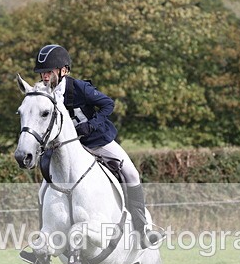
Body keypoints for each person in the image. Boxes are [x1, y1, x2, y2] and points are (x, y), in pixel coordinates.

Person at [33, 44, 159, 249]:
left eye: (49, 71)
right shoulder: (41, 93)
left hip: (97, 141)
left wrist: (91, 126)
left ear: (64, 71)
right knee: (43, 189)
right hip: (65, 149)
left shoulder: (79, 88)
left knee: (132, 174)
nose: (45, 76)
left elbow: (108, 104)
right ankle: (43, 238)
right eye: (42, 73)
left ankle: (142, 229)